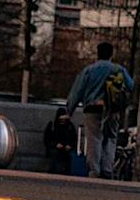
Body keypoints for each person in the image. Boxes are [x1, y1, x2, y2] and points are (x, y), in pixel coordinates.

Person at [66, 42, 133, 178]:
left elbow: (77, 91)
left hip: (92, 109)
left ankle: (94, 170)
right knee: (111, 138)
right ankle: (107, 169)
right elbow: (130, 85)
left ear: (98, 53)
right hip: (112, 109)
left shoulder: (89, 70)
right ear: (111, 54)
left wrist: (69, 111)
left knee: (94, 139)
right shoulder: (118, 69)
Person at [43, 105, 77, 175]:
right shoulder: (52, 125)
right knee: (55, 155)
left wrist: (70, 145)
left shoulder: (70, 126)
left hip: (66, 149)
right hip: (54, 148)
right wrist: (55, 144)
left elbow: (74, 139)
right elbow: (47, 139)